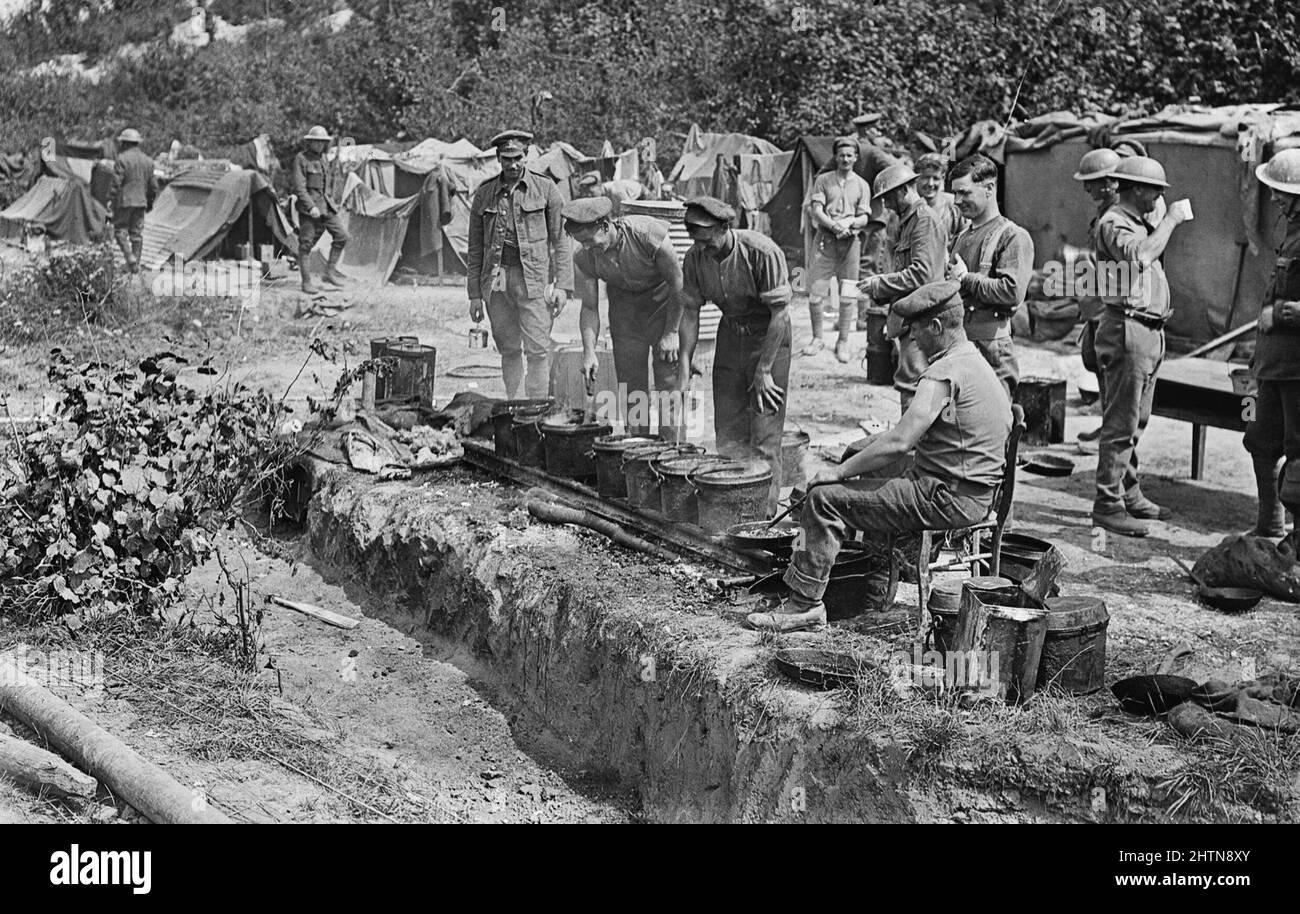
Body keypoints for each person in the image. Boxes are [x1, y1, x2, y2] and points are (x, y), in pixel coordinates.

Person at [746, 280, 1011, 633]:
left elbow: (900, 442)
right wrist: (859, 456)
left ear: (935, 327)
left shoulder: (942, 373)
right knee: (864, 467)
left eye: (917, 331)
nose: (914, 340)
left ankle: (804, 604)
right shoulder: (974, 362)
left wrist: (838, 472)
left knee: (825, 499)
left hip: (946, 497)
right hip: (972, 492)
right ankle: (871, 591)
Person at [1090, 155, 1191, 537]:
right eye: (1155, 191)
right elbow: (1141, 256)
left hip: (1148, 332)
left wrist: (1160, 218)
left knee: (1136, 420)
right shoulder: (1115, 222)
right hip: (1128, 330)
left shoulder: (1137, 222)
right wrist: (1171, 220)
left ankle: (1128, 492)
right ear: (1136, 189)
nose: (1159, 197)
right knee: (1120, 423)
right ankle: (1107, 505)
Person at [677, 195, 792, 513]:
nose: (702, 248)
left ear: (725, 227)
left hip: (769, 337)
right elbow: (689, 312)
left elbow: (780, 315)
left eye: (707, 241)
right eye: (695, 240)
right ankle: (731, 509)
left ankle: (763, 515)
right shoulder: (694, 257)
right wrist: (685, 363)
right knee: (727, 428)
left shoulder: (761, 251)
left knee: (764, 432)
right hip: (730, 334)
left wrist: (764, 369)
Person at [467, 129, 574, 400]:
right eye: (506, 159)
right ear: (498, 158)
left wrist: (563, 286)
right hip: (498, 276)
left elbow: (561, 240)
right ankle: (515, 405)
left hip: (533, 277)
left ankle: (535, 410)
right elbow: (475, 249)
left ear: (526, 156)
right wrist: (475, 295)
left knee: (538, 349)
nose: (512, 165)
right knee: (508, 346)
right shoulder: (484, 194)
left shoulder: (546, 189)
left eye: (517, 158)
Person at [564, 196, 683, 436]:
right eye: (581, 242)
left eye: (590, 240)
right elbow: (589, 307)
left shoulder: (647, 234)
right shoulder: (583, 257)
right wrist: (589, 352)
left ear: (605, 226)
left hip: (663, 308)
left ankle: (673, 452)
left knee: (668, 384)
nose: (587, 247)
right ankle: (638, 447)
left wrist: (672, 332)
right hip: (625, 314)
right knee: (632, 387)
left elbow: (678, 283)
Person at [1244, 149, 1300, 539]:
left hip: (1297, 371)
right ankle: (1269, 524)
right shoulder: (1292, 234)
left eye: (1281, 192)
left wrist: (1279, 315)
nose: (1275, 199)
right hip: (1273, 367)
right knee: (1259, 439)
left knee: (1299, 454)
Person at [858, 163, 946, 413]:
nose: (885, 205)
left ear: (904, 189)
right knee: (911, 380)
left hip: (925, 318)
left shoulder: (923, 221)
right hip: (912, 317)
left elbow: (923, 274)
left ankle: (915, 446)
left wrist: (879, 283)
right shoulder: (907, 221)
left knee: (914, 383)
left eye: (887, 197)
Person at [949, 154, 1035, 398]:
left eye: (964, 193)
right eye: (955, 193)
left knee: (995, 426)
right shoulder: (962, 237)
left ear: (989, 188)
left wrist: (967, 279)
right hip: (958, 345)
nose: (957, 200)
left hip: (991, 349)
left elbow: (1011, 292)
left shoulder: (1013, 237)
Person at [801, 137, 873, 362]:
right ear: (835, 157)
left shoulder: (862, 184)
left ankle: (842, 342)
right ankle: (817, 338)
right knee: (815, 293)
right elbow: (816, 210)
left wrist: (850, 223)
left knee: (848, 294)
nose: (845, 159)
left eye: (850, 155)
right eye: (841, 155)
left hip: (850, 244)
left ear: (856, 157)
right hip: (826, 242)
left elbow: (864, 217)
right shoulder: (823, 180)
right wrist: (834, 225)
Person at [1073, 148, 1123, 444]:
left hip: (1111, 305)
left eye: (1090, 182)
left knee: (1112, 370)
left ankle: (1115, 434)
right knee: (1095, 362)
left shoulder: (1120, 216)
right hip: (1095, 302)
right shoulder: (1103, 212)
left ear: (1109, 182)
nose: (1085, 188)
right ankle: (1107, 424)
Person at [291, 125, 349, 295]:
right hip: (310, 210)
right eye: (316, 142)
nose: (319, 145)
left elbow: (326, 185)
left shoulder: (324, 158)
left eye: (323, 142)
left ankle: (329, 273)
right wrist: (311, 206)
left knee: (342, 236)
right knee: (306, 245)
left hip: (326, 206)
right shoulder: (301, 159)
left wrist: (332, 201)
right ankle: (306, 282)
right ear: (310, 142)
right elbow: (300, 188)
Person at [110, 128, 158, 275]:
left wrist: (110, 200)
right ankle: (135, 265)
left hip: (124, 202)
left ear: (125, 143)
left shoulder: (122, 159)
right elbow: (154, 186)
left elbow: (116, 183)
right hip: (141, 202)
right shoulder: (148, 161)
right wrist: (149, 202)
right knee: (136, 234)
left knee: (120, 231)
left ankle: (129, 257)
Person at [914, 152, 964, 248]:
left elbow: (967, 241)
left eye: (936, 178)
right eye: (925, 178)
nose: (930, 183)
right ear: (916, 178)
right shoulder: (907, 206)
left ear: (943, 179)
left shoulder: (954, 205)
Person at [576, 173, 643, 215]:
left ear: (598, 186)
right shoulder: (604, 191)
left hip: (641, 197)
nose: (590, 196)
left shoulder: (615, 190)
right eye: (588, 194)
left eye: (591, 192)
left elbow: (629, 208)